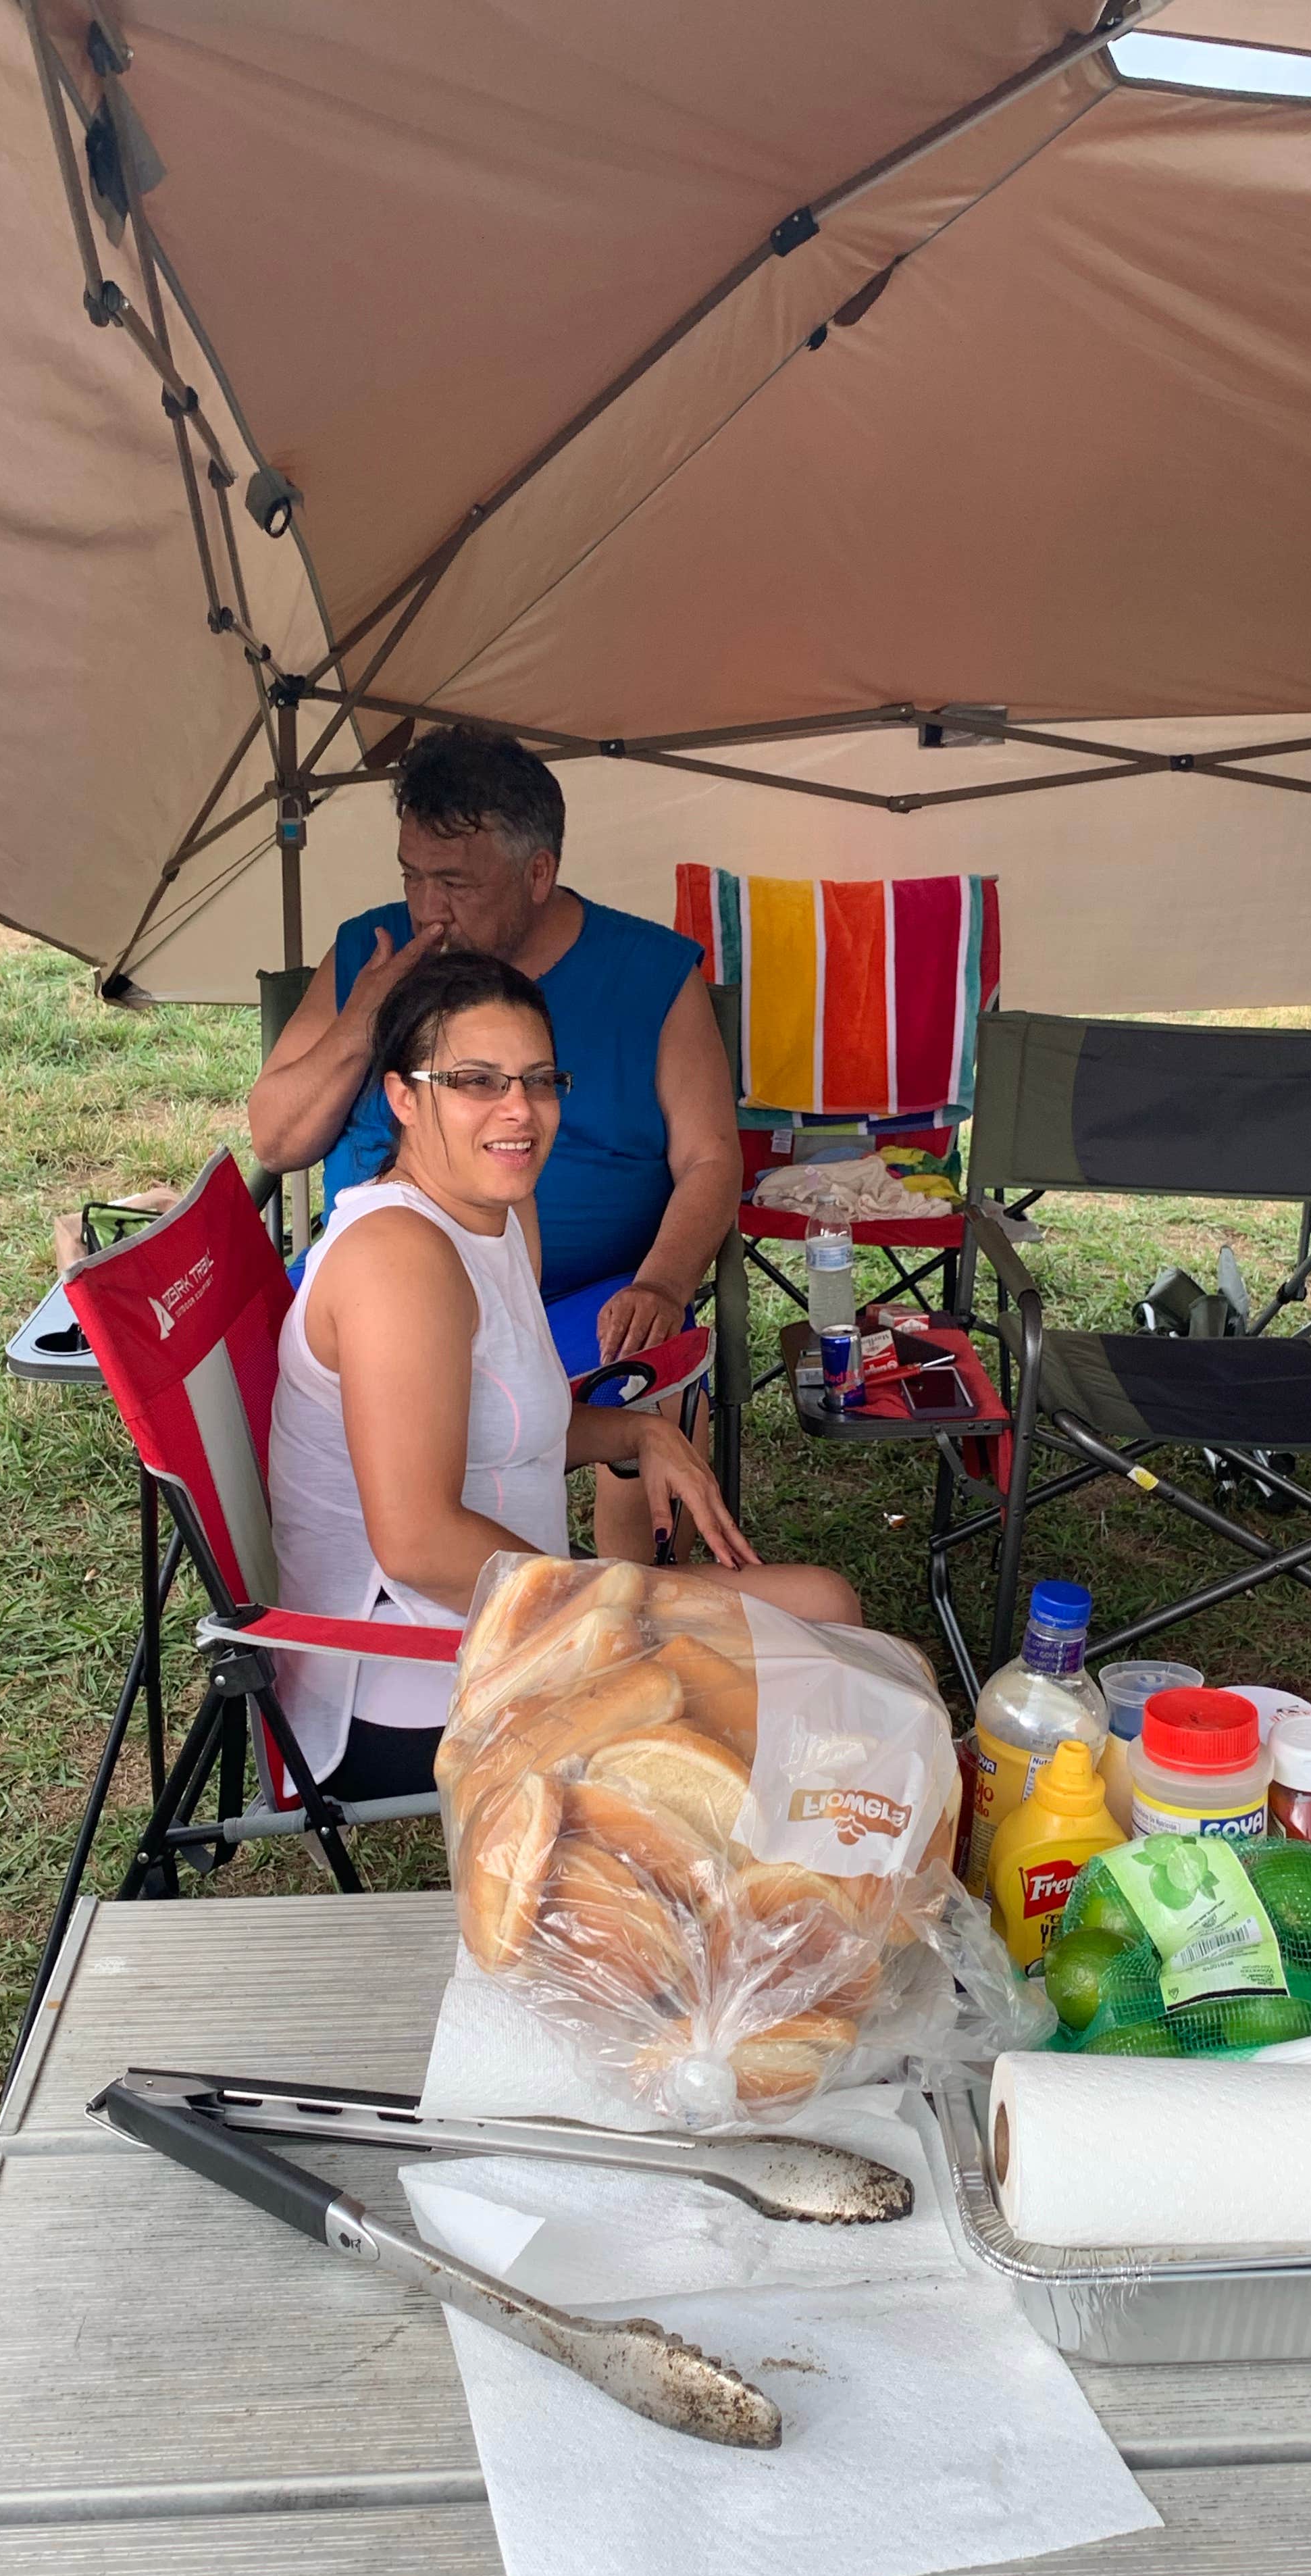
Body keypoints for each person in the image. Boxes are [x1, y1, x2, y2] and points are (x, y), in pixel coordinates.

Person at [267, 949, 856, 1803]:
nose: (520, 1111)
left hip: (505, 1613)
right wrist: (614, 1604)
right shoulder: (399, 1260)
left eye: (539, 1081)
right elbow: (420, 1545)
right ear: (403, 1096)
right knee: (815, 1681)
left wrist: (639, 1431)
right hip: (408, 1671)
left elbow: (500, 1424)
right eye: (476, 1081)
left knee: (825, 1609)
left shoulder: (499, 1214)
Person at [249, 726, 741, 1559]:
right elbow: (278, 1137)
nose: (427, 909)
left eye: (454, 883)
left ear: (538, 873)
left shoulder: (650, 973)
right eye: (412, 877)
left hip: (590, 1288)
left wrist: (662, 1282)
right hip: (397, 1283)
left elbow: (711, 1159)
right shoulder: (372, 952)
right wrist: (367, 1018)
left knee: (649, 1370)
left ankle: (628, 1618)